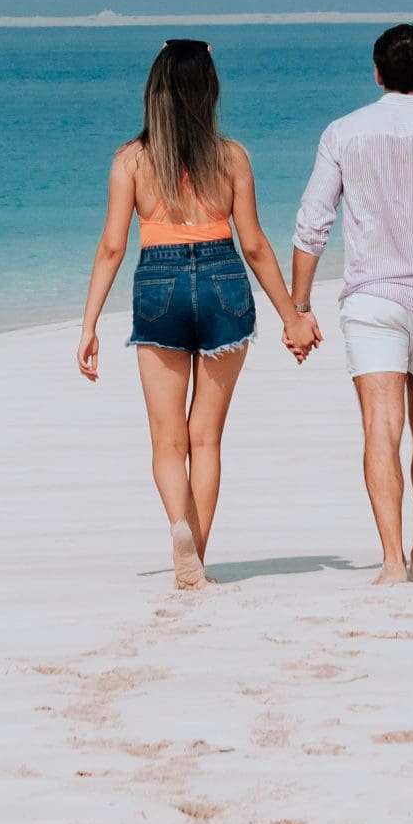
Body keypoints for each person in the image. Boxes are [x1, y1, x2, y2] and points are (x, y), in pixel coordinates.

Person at [76, 37, 320, 588]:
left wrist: (89, 323)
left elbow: (113, 246)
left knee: (168, 441)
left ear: (154, 91)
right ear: (209, 90)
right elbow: (254, 244)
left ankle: (179, 530)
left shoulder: (131, 161)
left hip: (157, 281)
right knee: (205, 437)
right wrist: (292, 317)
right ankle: (198, 558)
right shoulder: (231, 157)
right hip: (222, 279)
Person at [286, 22, 413, 587]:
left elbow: (313, 224)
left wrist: (298, 306)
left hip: (372, 297)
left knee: (381, 426)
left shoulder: (343, 133)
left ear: (377, 74)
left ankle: (390, 561)